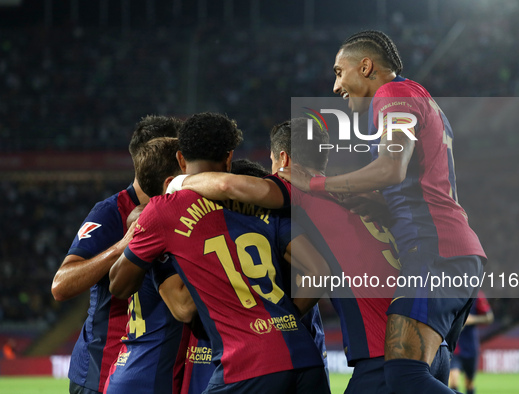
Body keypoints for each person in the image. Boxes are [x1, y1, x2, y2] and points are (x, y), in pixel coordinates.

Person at [279, 30, 487, 394]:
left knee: (404, 376)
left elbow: (392, 167)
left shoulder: (393, 94)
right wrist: (378, 201)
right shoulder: (420, 97)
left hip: (433, 250)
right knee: (412, 379)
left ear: (366, 65)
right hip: (449, 251)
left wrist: (315, 183)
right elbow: (417, 182)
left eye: (339, 72)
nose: (335, 86)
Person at [109, 112, 331, 394]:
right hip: (305, 356)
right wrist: (283, 319)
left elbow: (119, 285)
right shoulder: (265, 204)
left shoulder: (164, 209)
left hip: (246, 362)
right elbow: (320, 272)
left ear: (180, 159)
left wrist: (147, 247)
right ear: (229, 158)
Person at [176, 118, 402, 392]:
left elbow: (226, 186)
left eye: (272, 161)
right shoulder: (358, 191)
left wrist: (178, 183)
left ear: (283, 158)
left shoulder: (297, 189)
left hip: (381, 345)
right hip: (416, 330)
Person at [51, 115, 182, 394]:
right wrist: (121, 246)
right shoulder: (110, 212)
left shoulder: (177, 208)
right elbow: (61, 285)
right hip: (102, 371)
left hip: (151, 370)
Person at [104, 137, 196, 394]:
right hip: (149, 380)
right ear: (171, 183)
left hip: (129, 370)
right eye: (190, 176)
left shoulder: (147, 226)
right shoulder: (164, 234)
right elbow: (184, 308)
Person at [449, 291, 494, 394]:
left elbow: (489, 318)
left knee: (469, 383)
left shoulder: (477, 295)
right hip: (454, 347)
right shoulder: (449, 293)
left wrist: (471, 319)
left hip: (470, 347)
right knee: (454, 380)